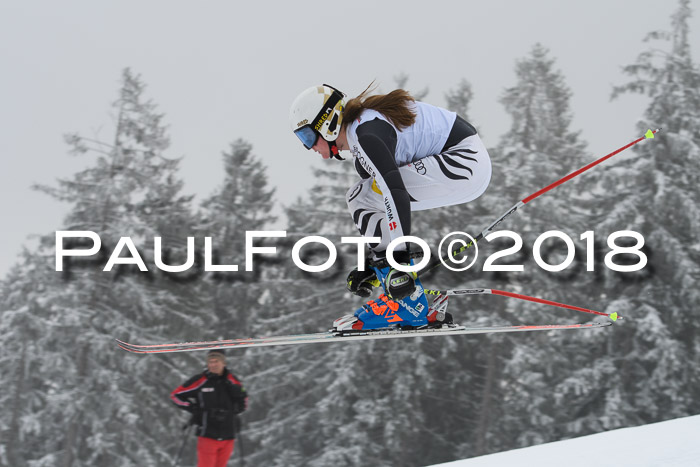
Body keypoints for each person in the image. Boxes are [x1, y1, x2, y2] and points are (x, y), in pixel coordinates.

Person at [289, 83, 492, 331]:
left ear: (327, 122)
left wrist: (397, 262)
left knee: (362, 197)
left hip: (463, 162)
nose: (310, 147)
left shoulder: (366, 135)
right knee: (363, 193)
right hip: (466, 165)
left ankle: (406, 304)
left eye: (308, 137)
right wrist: (373, 264)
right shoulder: (362, 131)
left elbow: (395, 192)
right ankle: (403, 295)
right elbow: (387, 206)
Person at [170, 349, 248, 467]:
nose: (213, 365)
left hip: (228, 435)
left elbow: (244, 399)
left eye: (216, 361)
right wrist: (192, 408)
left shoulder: (232, 380)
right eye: (210, 362)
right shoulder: (200, 380)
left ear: (224, 363)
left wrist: (239, 407)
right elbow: (175, 396)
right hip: (208, 434)